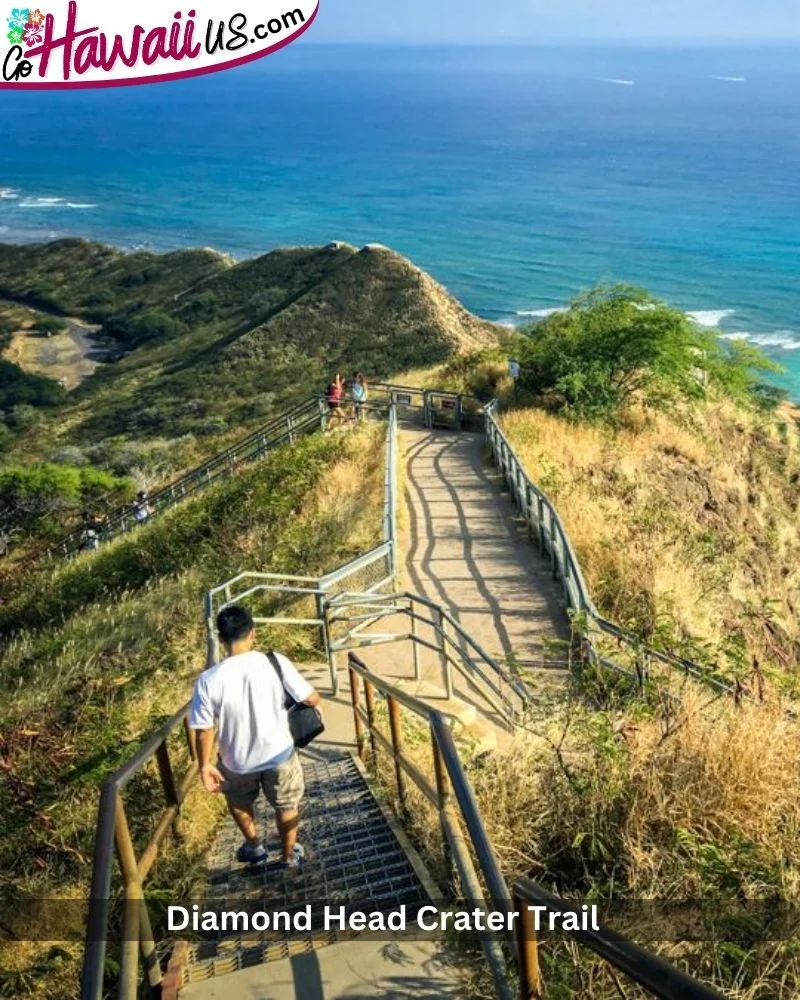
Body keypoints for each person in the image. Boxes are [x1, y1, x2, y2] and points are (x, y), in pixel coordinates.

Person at [189, 605, 321, 868]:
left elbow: (204, 728)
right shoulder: (273, 661)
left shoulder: (207, 680)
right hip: (279, 753)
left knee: (238, 802)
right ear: (252, 633)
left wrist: (204, 765)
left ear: (221, 638)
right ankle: (288, 856)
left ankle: (255, 847)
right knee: (286, 805)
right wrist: (315, 703)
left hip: (235, 760)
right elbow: (310, 696)